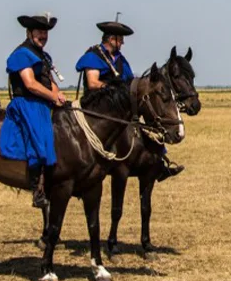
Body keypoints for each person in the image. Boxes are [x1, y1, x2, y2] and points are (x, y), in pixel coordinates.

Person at [74, 19, 184, 181]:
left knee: (149, 129)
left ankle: (159, 164)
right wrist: (112, 88)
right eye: (120, 39)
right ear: (111, 39)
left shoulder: (120, 60)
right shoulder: (93, 56)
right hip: (98, 108)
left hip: (120, 108)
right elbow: (92, 83)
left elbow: (129, 81)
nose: (122, 43)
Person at [0, 13, 67, 208]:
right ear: (29, 32)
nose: (43, 36)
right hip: (27, 103)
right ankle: (37, 189)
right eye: (39, 32)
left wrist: (60, 96)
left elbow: (50, 82)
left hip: (44, 102)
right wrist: (53, 97)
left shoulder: (44, 56)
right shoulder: (22, 54)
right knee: (40, 137)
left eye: (45, 32)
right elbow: (30, 84)